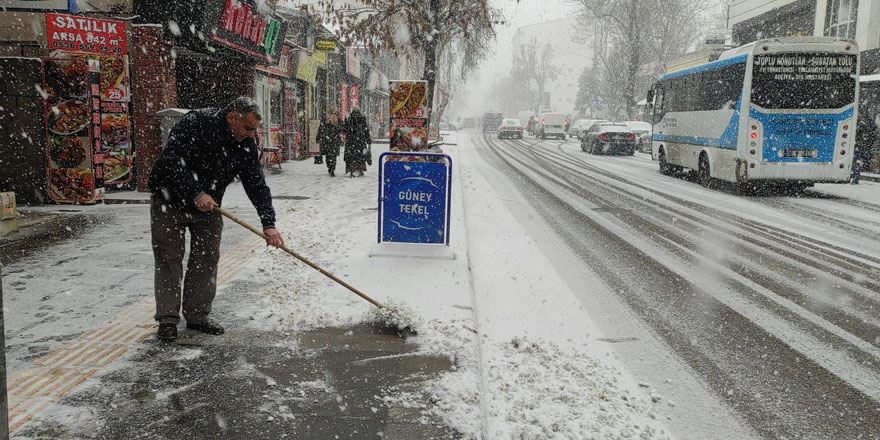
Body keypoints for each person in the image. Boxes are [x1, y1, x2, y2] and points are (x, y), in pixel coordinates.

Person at [148, 96, 285, 342]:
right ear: (232, 117)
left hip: (209, 207)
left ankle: (198, 315)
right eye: (248, 128)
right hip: (169, 199)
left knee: (207, 257)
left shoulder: (245, 143)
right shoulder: (196, 123)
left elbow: (256, 183)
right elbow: (170, 163)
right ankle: (167, 320)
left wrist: (269, 223)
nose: (251, 134)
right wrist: (195, 193)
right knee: (169, 258)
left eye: (255, 129)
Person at [343, 106, 372, 177]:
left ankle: (352, 168)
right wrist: (368, 140)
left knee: (351, 155)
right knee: (360, 155)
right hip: (360, 140)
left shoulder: (349, 118)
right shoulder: (362, 118)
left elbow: (345, 129)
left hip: (351, 140)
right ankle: (360, 169)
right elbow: (366, 130)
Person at [317, 107, 342, 177]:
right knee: (333, 156)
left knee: (328, 155)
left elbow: (320, 129)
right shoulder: (337, 119)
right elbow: (341, 129)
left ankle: (329, 167)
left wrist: (318, 137)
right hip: (335, 140)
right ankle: (332, 169)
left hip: (326, 140)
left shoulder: (325, 119)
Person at [853, 112, 877, 185]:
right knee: (858, 162)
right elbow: (872, 137)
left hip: (860, 147)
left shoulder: (862, 126)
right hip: (863, 147)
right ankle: (855, 178)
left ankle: (855, 179)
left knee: (857, 162)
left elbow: (858, 136)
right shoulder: (868, 127)